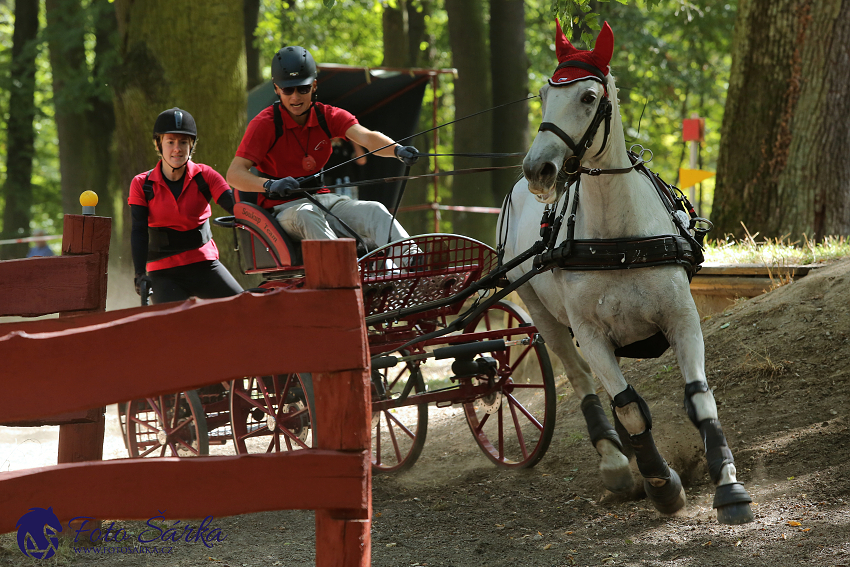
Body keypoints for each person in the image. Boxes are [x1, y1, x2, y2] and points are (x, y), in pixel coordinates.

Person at [226, 45, 420, 250]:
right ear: (276, 89)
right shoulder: (264, 124)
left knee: (375, 210)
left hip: (324, 199)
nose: (295, 97)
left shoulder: (328, 116)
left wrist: (398, 150)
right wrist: (270, 185)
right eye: (287, 89)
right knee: (306, 214)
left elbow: (366, 137)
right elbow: (234, 174)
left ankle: (414, 261)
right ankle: (344, 267)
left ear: (314, 86)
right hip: (284, 209)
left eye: (303, 88)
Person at [128, 107, 243, 304]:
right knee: (177, 322)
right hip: (163, 274)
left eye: (183, 142)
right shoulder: (141, 184)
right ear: (158, 144)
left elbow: (238, 208)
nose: (177, 149)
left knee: (246, 307)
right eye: (170, 142)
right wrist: (139, 274)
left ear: (191, 145)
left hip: (205, 265)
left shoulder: (206, 176)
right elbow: (139, 230)